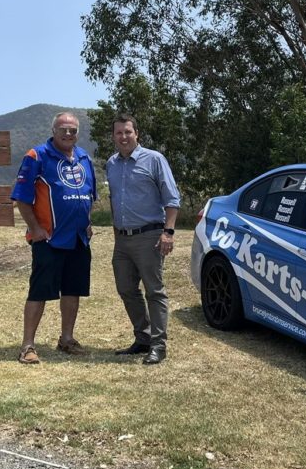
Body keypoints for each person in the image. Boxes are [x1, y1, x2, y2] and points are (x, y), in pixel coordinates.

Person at [10, 111, 96, 364]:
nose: (68, 133)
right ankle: (27, 345)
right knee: (39, 292)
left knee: (73, 290)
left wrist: (88, 221)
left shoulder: (84, 158)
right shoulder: (36, 156)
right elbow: (22, 198)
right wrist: (35, 229)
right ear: (54, 131)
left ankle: (66, 339)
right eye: (63, 129)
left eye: (73, 130)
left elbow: (89, 196)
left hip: (78, 239)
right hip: (49, 239)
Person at [106, 114, 181, 365]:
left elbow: (172, 199)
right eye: (119, 133)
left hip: (149, 236)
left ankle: (159, 345)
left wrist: (168, 232)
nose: (123, 137)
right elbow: (115, 199)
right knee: (126, 289)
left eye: (128, 132)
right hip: (122, 239)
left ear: (136, 133)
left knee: (154, 291)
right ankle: (143, 337)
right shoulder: (112, 164)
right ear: (113, 136)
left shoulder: (155, 160)